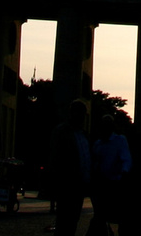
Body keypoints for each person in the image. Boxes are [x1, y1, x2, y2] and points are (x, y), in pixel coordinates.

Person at [50, 100, 94, 236]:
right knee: (64, 222)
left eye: (83, 114)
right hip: (67, 184)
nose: (81, 117)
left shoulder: (84, 135)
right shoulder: (62, 132)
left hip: (80, 186)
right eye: (78, 113)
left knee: (73, 221)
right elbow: (55, 157)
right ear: (71, 113)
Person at [91, 111, 133, 236]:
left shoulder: (119, 140)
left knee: (119, 218)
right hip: (101, 185)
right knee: (100, 217)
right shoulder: (97, 144)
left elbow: (126, 159)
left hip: (115, 184)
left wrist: (124, 174)